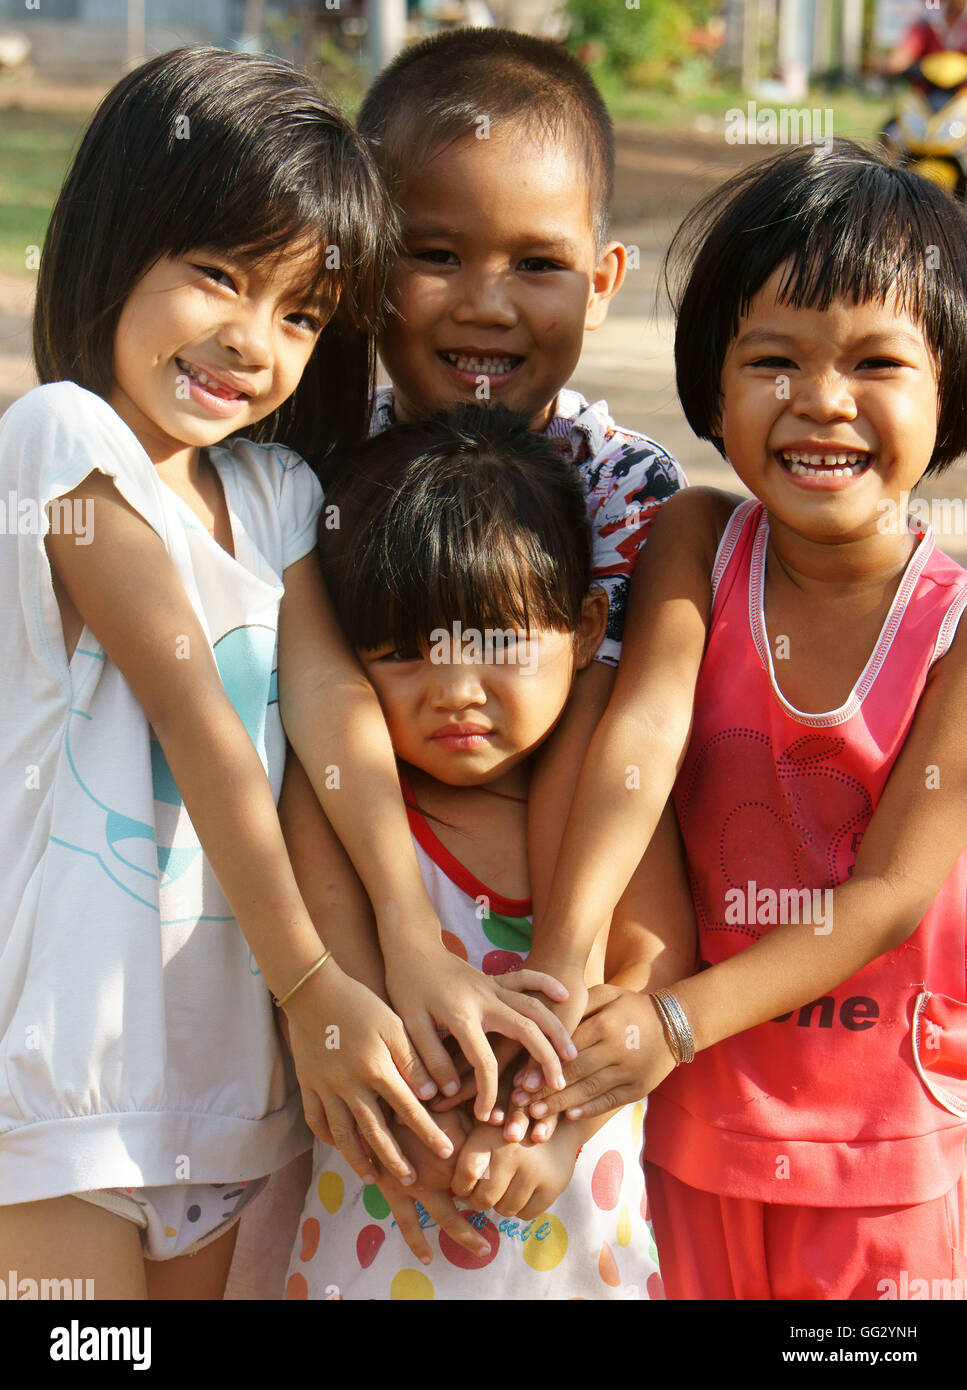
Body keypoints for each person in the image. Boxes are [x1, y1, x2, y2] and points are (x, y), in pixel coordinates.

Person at [0, 47, 575, 1301]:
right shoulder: (62, 440)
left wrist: (409, 950)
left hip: (221, 1089)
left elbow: (328, 712)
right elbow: (196, 712)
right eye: (218, 277)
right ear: (113, 241)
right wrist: (315, 983)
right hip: (64, 1074)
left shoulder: (277, 495)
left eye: (301, 313)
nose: (251, 341)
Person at [513, 141, 967, 1299]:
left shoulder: (956, 625)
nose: (821, 400)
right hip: (691, 1134)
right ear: (712, 388)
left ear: (949, 391)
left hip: (885, 1154)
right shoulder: (695, 540)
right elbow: (641, 737)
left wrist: (670, 1022)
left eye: (876, 362)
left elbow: (888, 894)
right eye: (774, 360)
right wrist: (561, 978)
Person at [321, 29, 686, 1092]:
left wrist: (563, 978)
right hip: (366, 951)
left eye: (536, 263)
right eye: (436, 255)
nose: (486, 302)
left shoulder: (620, 483)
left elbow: (609, 717)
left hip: (560, 947)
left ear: (605, 278)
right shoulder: (320, 464)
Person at [283, 406, 691, 1298]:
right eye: (399, 653)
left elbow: (652, 965)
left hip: (582, 1267)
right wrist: (416, 1145)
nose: (453, 691)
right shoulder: (344, 806)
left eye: (497, 642)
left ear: (586, 628)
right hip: (373, 1265)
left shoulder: (602, 809)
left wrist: (557, 1127)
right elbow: (336, 993)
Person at [882, 0, 967, 75]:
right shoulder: (929, 22)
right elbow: (903, 55)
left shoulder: (964, 23)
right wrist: (893, 64)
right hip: (928, 86)